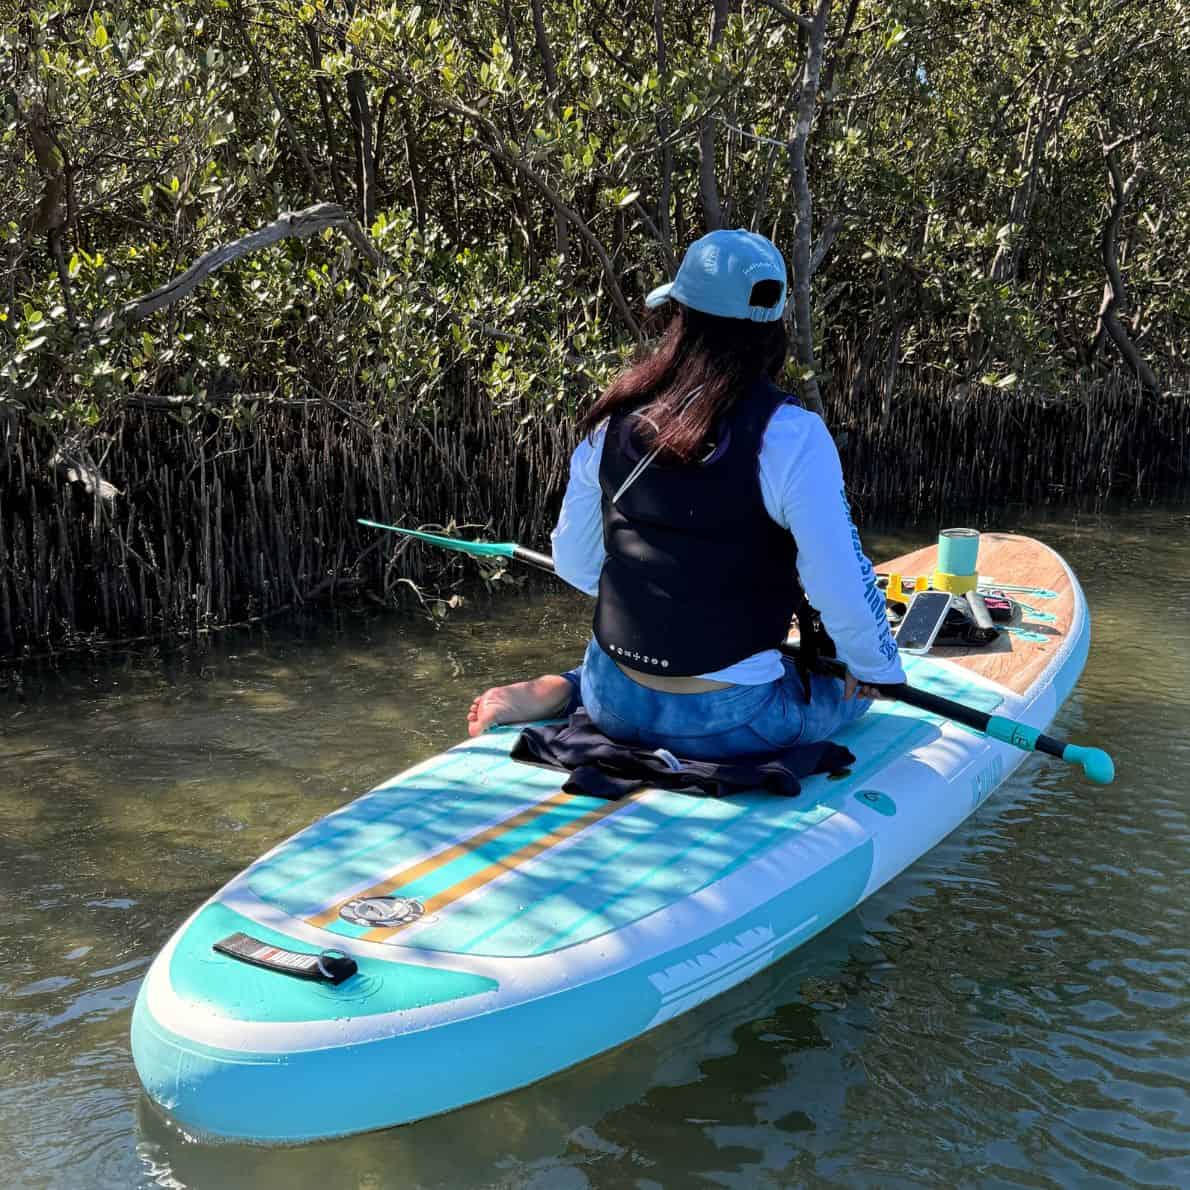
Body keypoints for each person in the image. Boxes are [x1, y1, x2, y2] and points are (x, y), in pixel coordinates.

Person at [468, 229, 905, 757]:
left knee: (633, 665)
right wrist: (879, 669)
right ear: (775, 331)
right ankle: (576, 684)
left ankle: (570, 684)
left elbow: (576, 564)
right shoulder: (794, 435)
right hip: (728, 721)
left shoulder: (614, 418)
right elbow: (839, 579)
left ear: (681, 318)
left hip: (613, 700)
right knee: (852, 691)